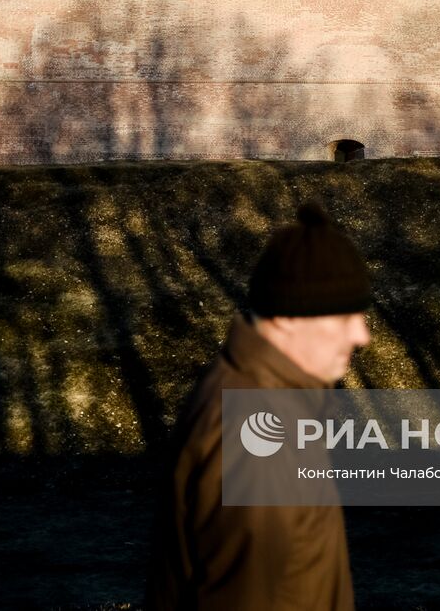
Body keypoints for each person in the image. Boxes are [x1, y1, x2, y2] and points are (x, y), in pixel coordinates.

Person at [146, 200, 373, 610]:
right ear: (287, 318)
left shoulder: (254, 394)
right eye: (344, 318)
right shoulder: (260, 440)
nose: (362, 336)